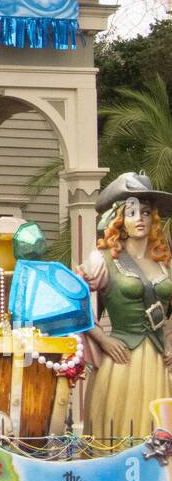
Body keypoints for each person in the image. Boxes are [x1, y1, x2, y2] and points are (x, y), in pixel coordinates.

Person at [81, 172, 172, 439]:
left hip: (158, 363)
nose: (140, 218)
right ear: (120, 219)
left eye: (146, 212)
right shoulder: (102, 259)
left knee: (157, 434)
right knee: (120, 432)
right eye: (132, 212)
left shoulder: (164, 262)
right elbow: (78, 305)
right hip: (121, 361)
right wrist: (103, 340)